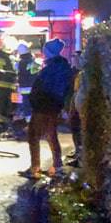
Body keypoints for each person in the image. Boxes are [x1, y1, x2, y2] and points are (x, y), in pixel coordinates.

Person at [20, 38, 73, 180]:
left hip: (43, 106)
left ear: (50, 52)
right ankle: (58, 166)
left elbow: (42, 87)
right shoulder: (63, 67)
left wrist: (35, 101)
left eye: (45, 50)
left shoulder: (51, 68)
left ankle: (34, 168)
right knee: (51, 136)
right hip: (53, 106)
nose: (43, 52)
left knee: (33, 136)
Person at [0, 37, 18, 123]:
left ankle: (8, 122)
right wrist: (12, 73)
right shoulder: (1, 56)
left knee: (11, 104)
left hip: (11, 85)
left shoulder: (10, 56)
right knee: (3, 105)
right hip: (3, 85)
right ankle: (1, 123)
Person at [14, 42, 39, 122]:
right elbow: (36, 74)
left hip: (24, 88)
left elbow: (16, 73)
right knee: (33, 105)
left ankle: (29, 123)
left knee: (26, 106)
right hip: (34, 87)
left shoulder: (19, 63)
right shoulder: (33, 62)